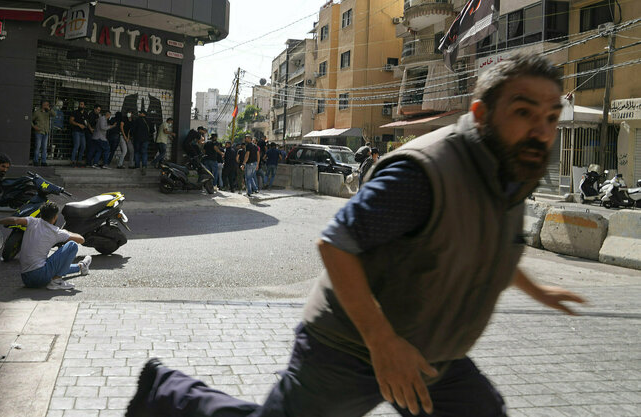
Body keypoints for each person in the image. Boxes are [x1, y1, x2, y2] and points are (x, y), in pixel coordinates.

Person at [125, 53, 587, 417]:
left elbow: (490, 248)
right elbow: (336, 242)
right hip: (347, 347)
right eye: (524, 112)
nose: (540, 131)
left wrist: (537, 288)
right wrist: (383, 344)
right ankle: (170, 394)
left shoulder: (510, 172)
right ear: (481, 114)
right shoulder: (426, 172)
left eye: (550, 116)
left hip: (432, 357)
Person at [0, 201, 92, 290]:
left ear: (41, 214)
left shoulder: (31, 221)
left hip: (26, 278)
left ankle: (81, 266)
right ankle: (57, 282)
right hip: (39, 276)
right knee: (72, 245)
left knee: (55, 266)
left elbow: (15, 220)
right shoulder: (56, 232)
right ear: (55, 218)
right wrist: (66, 232)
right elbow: (81, 239)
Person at [131, 110, 152, 175]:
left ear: (143, 114)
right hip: (146, 139)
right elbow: (152, 130)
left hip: (137, 139)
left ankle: (137, 165)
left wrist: (133, 136)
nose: (139, 114)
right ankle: (144, 166)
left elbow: (133, 129)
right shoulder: (149, 121)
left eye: (140, 113)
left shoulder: (137, 120)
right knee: (144, 152)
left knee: (137, 152)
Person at [32, 100, 51, 166]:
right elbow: (31, 120)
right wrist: (34, 127)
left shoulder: (48, 112)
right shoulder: (37, 112)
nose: (47, 106)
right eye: (45, 104)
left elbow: (54, 115)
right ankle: (35, 161)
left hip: (46, 132)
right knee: (37, 147)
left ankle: (43, 161)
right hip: (39, 132)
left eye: (48, 104)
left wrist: (49, 109)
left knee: (44, 148)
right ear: (42, 105)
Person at [69, 101, 88, 167]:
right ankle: (73, 161)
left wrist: (86, 126)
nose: (81, 106)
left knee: (83, 146)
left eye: (82, 104)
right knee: (76, 145)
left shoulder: (85, 113)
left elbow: (86, 122)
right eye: (80, 104)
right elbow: (71, 121)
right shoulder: (75, 112)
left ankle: (79, 161)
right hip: (76, 131)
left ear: (84, 106)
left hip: (83, 132)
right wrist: (79, 125)